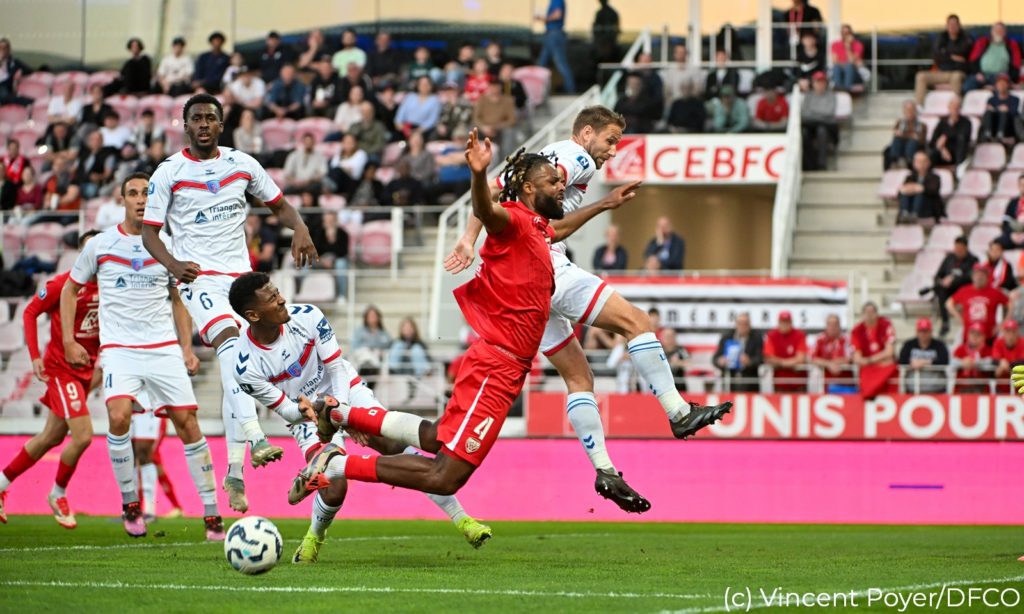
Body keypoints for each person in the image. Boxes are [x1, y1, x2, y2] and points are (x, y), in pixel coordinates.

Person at [446, 109, 729, 514]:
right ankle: (678, 411)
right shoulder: (575, 157)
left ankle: (605, 470)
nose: (612, 151)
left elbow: (494, 188)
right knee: (637, 322)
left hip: (520, 283)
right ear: (587, 132)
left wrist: (468, 238)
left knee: (579, 377)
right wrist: (604, 204)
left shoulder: (541, 158)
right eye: (610, 140)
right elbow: (546, 223)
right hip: (544, 265)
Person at [301, 130, 567, 507]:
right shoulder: (515, 221)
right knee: (445, 476)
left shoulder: (538, 229)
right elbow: (486, 210)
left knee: (437, 436)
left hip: (503, 363)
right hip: (498, 366)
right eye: (553, 181)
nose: (561, 186)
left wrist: (605, 204)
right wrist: (479, 174)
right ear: (527, 188)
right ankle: (337, 465)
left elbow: (560, 228)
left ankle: (341, 413)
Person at [227, 273, 492, 561]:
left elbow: (336, 368)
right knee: (334, 487)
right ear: (253, 315)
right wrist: (307, 411)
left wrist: (342, 414)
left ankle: (462, 519)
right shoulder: (244, 366)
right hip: (306, 414)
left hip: (344, 389)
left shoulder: (307, 315)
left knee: (391, 443)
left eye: (277, 292)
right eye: (272, 298)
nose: (281, 299)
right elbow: (286, 410)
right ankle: (314, 535)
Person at [141, 93, 318, 512]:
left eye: (210, 118)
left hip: (240, 280)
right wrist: (173, 264)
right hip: (198, 277)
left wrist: (301, 228)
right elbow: (149, 233)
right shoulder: (169, 172)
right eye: (196, 118)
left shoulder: (242, 164)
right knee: (230, 346)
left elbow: (280, 205)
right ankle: (256, 438)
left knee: (237, 367)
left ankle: (235, 471)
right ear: (186, 125)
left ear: (222, 125)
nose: (203, 124)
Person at [63, 173, 223, 539]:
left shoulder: (168, 245)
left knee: (188, 424)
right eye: (133, 193)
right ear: (122, 200)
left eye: (147, 193)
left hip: (162, 347)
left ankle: (212, 513)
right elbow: (70, 290)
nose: (140, 199)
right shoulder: (101, 244)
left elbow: (178, 299)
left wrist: (186, 348)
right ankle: (130, 504)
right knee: (118, 416)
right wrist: (70, 341)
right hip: (119, 349)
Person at [0, 230, 102, 528]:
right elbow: (30, 312)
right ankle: (57, 493)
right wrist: (34, 356)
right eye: (90, 251)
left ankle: (1, 485)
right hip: (61, 369)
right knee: (83, 436)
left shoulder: (112, 286)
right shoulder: (64, 284)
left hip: (86, 371)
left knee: (51, 437)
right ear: (81, 255)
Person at [914, 15, 971, 105]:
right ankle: (919, 106)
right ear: (947, 26)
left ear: (959, 25)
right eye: (950, 24)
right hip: (942, 71)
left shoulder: (965, 38)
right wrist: (952, 56)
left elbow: (964, 53)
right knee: (921, 76)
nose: (952, 27)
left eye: (954, 24)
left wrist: (945, 53)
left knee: (956, 77)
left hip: (957, 72)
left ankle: (955, 107)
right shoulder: (942, 37)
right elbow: (936, 55)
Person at [947, 263, 1008, 343]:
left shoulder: (994, 292)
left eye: (982, 275)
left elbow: (1009, 303)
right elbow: (949, 303)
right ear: (973, 276)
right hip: (969, 337)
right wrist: (960, 318)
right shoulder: (964, 290)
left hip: (988, 336)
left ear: (987, 277)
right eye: (977, 274)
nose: (979, 277)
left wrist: (1003, 323)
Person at [932, 236, 977, 336]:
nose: (958, 251)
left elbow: (971, 277)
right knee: (941, 290)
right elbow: (938, 275)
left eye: (960, 249)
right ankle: (945, 322)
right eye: (956, 248)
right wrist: (942, 281)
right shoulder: (949, 258)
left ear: (966, 248)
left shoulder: (973, 260)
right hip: (948, 289)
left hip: (964, 288)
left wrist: (954, 280)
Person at [851, 302, 897, 397]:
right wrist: (879, 360)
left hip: (886, 371)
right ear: (862, 314)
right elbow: (857, 358)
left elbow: (889, 352)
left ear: (877, 313)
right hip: (869, 371)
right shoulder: (857, 330)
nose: (870, 315)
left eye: (872, 312)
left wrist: (868, 361)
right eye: (867, 312)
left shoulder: (886, 325)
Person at [964, 22, 1021, 93]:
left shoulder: (1012, 45)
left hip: (1001, 76)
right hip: (982, 75)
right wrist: (977, 73)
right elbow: (972, 60)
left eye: (1001, 30)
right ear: (991, 32)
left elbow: (1016, 64)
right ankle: (985, 87)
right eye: (996, 30)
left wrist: (1011, 78)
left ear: (1005, 33)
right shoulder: (983, 42)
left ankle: (991, 89)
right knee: (967, 86)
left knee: (1001, 87)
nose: (998, 32)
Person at [713, 312, 763, 392]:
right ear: (736, 324)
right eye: (740, 323)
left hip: (749, 382)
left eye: (745, 324)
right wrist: (720, 361)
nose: (742, 326)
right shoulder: (727, 337)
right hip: (729, 381)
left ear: (750, 325)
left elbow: (760, 358)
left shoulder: (756, 338)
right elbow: (715, 359)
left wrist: (749, 361)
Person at [897, 318, 949, 393]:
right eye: (920, 331)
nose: (923, 334)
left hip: (936, 389)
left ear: (931, 332)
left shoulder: (939, 345)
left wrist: (925, 362)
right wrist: (911, 363)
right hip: (912, 388)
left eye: (925, 331)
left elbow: (945, 360)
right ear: (916, 332)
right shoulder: (908, 345)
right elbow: (901, 360)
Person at [536, 0, 576, 94]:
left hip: (555, 34)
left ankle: (570, 89)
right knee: (541, 63)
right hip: (551, 34)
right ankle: (536, 88)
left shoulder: (557, 0)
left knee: (560, 63)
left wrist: (544, 18)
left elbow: (557, 15)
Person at [763, 311, 808, 392]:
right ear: (778, 322)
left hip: (798, 383)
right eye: (782, 322)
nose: (785, 324)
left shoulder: (799, 335)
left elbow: (801, 359)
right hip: (780, 383)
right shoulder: (771, 335)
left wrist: (780, 363)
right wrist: (791, 363)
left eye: (787, 322)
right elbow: (769, 358)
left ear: (791, 322)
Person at [801, 72, 836, 171]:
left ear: (826, 83)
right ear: (813, 83)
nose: (820, 84)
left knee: (822, 131)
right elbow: (804, 113)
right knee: (804, 133)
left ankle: (821, 164)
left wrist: (813, 114)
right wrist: (820, 115)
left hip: (827, 126)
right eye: (817, 82)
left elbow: (829, 112)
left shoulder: (831, 96)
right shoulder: (808, 96)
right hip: (810, 125)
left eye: (822, 82)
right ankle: (809, 164)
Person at [810, 314, 853, 392]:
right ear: (826, 326)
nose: (832, 327)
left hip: (845, 383)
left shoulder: (846, 339)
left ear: (839, 325)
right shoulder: (819, 339)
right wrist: (829, 364)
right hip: (824, 384)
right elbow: (812, 358)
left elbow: (850, 357)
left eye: (835, 324)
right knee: (814, 372)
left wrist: (833, 363)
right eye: (830, 324)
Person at [897, 151, 943, 224]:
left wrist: (921, 188)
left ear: (928, 162)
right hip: (910, 205)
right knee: (905, 193)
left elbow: (933, 190)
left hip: (928, 208)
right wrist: (910, 189)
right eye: (918, 161)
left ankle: (914, 215)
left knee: (920, 194)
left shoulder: (934, 177)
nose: (921, 164)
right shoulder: (910, 177)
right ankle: (905, 213)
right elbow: (901, 191)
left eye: (923, 161)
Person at [928, 97, 971, 167]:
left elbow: (963, 136)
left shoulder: (966, 122)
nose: (954, 110)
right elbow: (934, 140)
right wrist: (942, 149)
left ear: (960, 108)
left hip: (957, 152)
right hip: (942, 152)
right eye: (952, 107)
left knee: (961, 141)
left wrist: (946, 135)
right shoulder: (942, 122)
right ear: (949, 108)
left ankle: (958, 167)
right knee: (932, 152)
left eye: (957, 107)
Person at [884, 100, 927, 171]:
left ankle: (908, 162)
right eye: (907, 110)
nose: (909, 112)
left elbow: (920, 139)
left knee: (912, 142)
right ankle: (895, 161)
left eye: (911, 110)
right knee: (896, 140)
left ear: (915, 111)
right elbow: (896, 133)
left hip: (915, 148)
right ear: (904, 111)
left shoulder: (922, 125)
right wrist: (910, 134)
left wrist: (903, 134)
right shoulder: (900, 122)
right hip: (901, 146)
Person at [981, 74, 1021, 146]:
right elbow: (989, 110)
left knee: (1003, 113)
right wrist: (998, 109)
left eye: (1004, 83)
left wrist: (1006, 110)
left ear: (1008, 85)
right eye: (999, 83)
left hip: (1008, 127)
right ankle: (987, 134)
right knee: (988, 112)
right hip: (994, 125)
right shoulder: (991, 99)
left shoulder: (1015, 99)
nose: (1001, 85)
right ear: (996, 85)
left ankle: (1000, 135)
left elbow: (1015, 113)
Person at [952, 323, 993, 393]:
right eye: (972, 333)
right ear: (968, 335)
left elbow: (992, 363)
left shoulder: (988, 350)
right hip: (962, 387)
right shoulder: (960, 349)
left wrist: (975, 363)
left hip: (981, 388)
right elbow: (951, 363)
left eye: (978, 334)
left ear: (984, 337)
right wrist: (962, 363)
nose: (975, 337)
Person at [830, 24, 864, 92]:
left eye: (847, 33)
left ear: (851, 33)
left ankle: (846, 90)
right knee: (837, 67)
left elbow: (851, 61)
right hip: (840, 71)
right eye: (843, 33)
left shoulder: (858, 45)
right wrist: (846, 64)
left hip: (854, 73)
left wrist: (848, 47)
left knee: (849, 67)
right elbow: (834, 61)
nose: (845, 35)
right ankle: (839, 90)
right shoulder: (835, 44)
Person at [592, 0, 620, 66]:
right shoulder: (600, 13)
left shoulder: (611, 13)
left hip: (608, 41)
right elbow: (596, 27)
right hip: (603, 42)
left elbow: (615, 27)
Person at [1000, 175, 1024, 249]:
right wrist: (1012, 233)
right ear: (1018, 186)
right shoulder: (1013, 202)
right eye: (1021, 185)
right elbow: (1005, 221)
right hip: (1013, 235)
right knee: (997, 243)